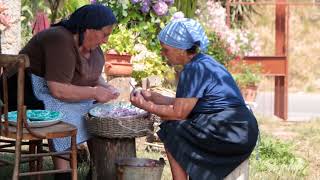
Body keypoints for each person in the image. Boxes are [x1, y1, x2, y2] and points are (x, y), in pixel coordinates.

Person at [130, 18, 259, 180]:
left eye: (166, 50)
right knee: (176, 127)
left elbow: (178, 113)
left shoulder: (193, 70)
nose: (163, 54)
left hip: (232, 132)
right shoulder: (204, 62)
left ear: (181, 49)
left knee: (171, 130)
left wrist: (145, 105)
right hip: (242, 129)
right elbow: (191, 105)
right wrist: (155, 97)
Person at [17, 4, 119, 179]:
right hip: (27, 93)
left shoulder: (90, 46)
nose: (105, 40)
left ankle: (97, 170)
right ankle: (63, 173)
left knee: (98, 113)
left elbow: (92, 76)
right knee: (65, 112)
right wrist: (94, 92)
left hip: (54, 90)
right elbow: (58, 90)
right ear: (88, 28)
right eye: (104, 34)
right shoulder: (59, 39)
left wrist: (105, 87)